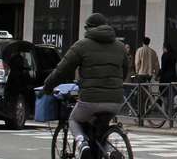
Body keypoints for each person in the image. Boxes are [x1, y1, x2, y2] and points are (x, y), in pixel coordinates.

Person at [41, 13, 128, 158]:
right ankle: (110, 152)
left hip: (90, 99)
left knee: (74, 119)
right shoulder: (120, 47)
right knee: (100, 131)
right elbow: (124, 71)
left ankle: (82, 145)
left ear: (89, 28)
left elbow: (62, 70)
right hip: (115, 101)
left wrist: (48, 86)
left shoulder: (81, 45)